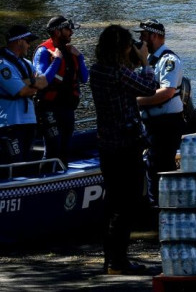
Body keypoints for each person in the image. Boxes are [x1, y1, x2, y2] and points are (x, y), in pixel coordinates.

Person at [89, 25, 156, 275]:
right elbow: (149, 87)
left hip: (107, 144)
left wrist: (133, 61)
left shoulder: (97, 71)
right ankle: (119, 262)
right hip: (126, 145)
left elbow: (127, 85)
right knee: (127, 204)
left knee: (112, 203)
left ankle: (111, 260)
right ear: (122, 48)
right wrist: (145, 61)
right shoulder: (119, 72)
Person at [134, 19, 185, 209]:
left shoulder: (168, 60)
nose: (140, 38)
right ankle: (156, 205)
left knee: (160, 165)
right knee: (152, 165)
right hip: (151, 122)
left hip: (166, 123)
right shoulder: (146, 60)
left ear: (154, 36)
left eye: (143, 35)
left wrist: (136, 102)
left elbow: (167, 92)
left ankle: (164, 208)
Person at [33, 16, 89, 164]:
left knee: (65, 148)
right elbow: (42, 81)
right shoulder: (44, 51)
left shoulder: (72, 52)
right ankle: (45, 182)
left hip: (67, 107)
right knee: (52, 147)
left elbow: (84, 78)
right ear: (57, 32)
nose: (71, 32)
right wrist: (57, 60)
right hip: (48, 107)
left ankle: (62, 179)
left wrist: (81, 57)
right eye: (67, 29)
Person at [0, 25, 48, 164]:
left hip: (29, 121)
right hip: (10, 123)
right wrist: (34, 84)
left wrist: (27, 82)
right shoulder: (3, 65)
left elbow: (44, 81)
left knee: (27, 162)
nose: (29, 45)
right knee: (14, 163)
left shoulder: (26, 63)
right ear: (19, 41)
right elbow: (21, 91)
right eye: (27, 41)